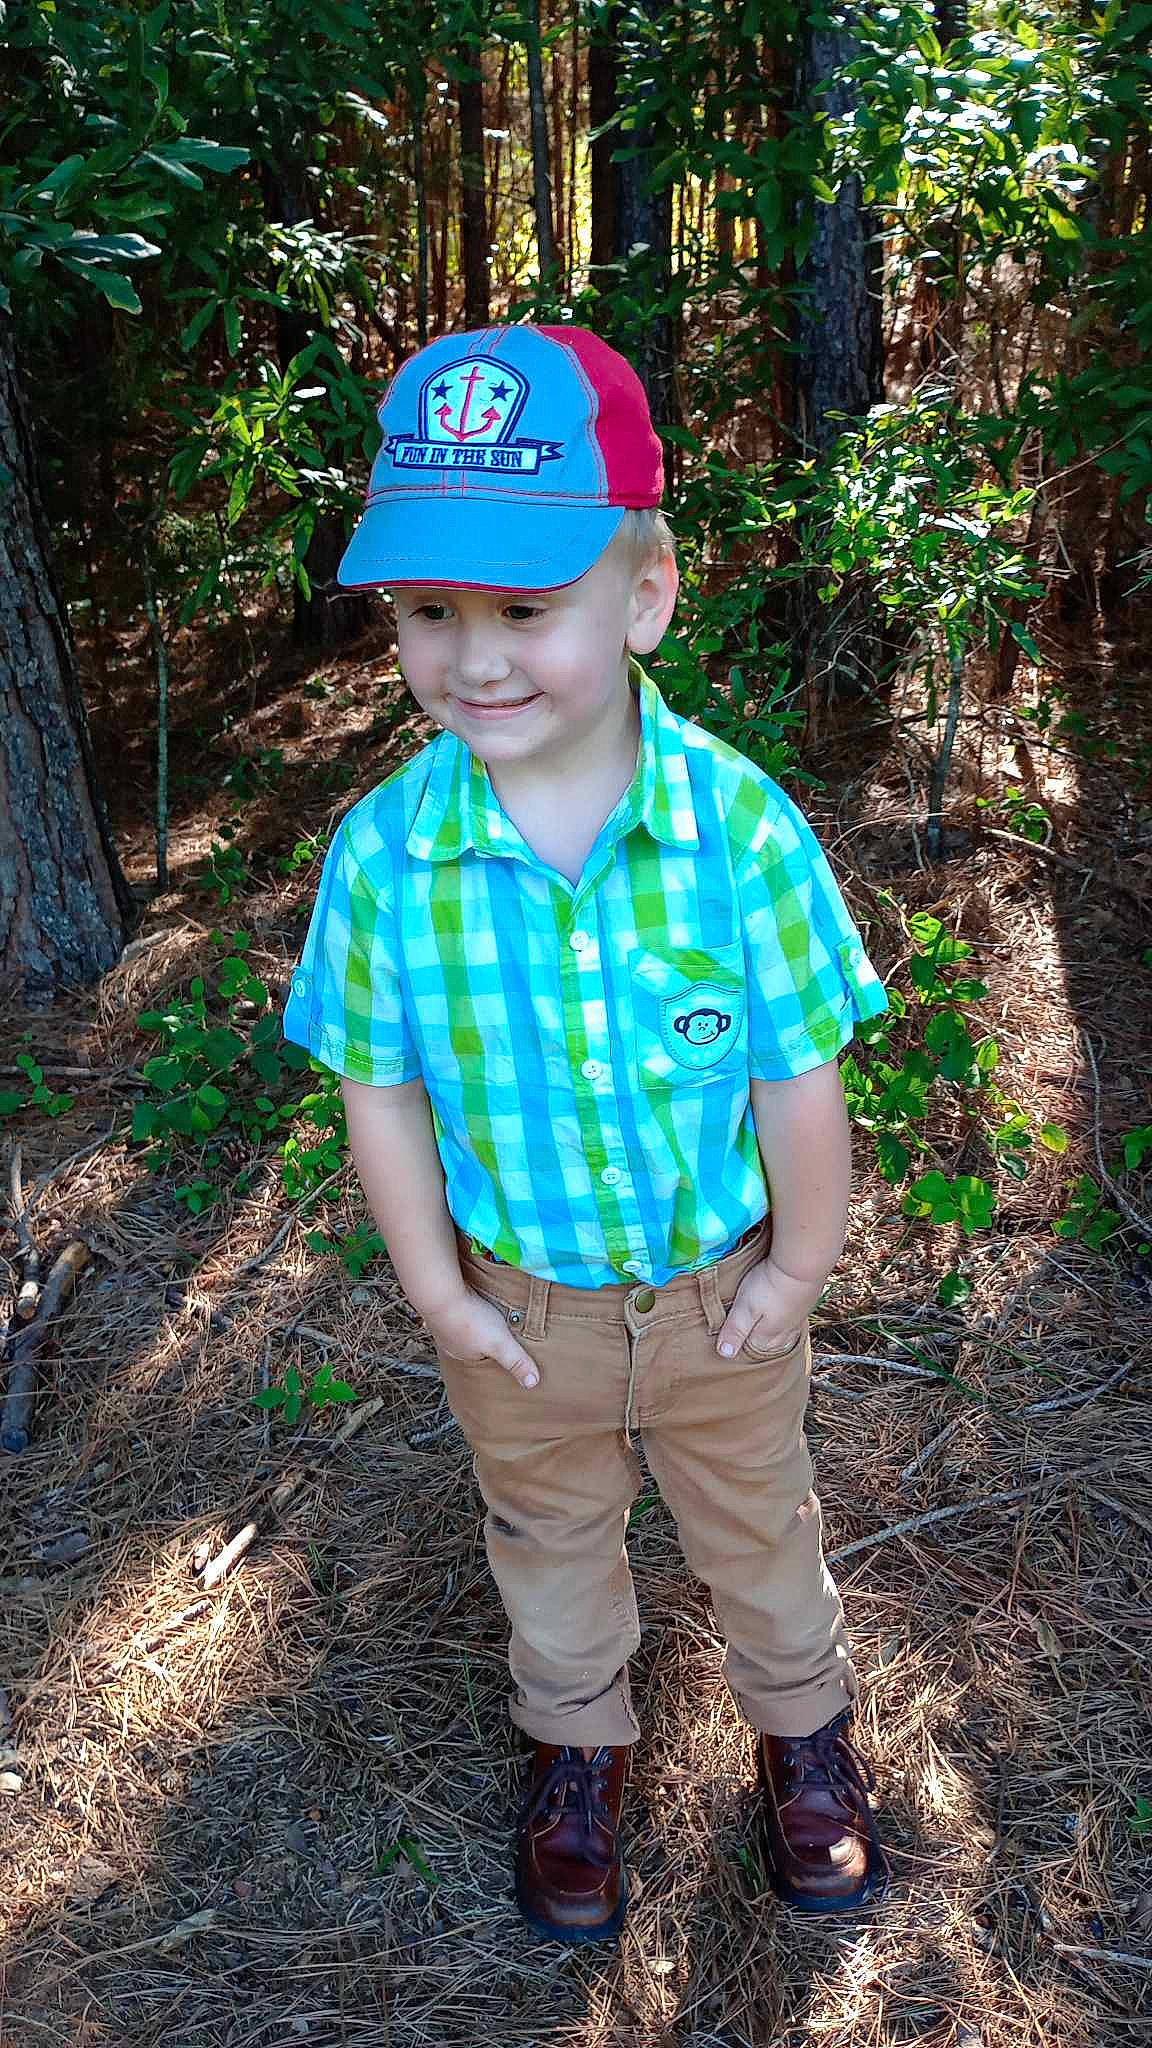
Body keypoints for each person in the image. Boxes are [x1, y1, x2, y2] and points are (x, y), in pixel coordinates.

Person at [283, 323, 890, 1944]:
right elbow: (381, 1087)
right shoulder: (386, 857)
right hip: (521, 1310)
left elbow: (795, 1071)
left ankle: (804, 1737)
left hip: (720, 1292)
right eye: (431, 612)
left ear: (647, 593)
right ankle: (578, 1752)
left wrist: (800, 1267)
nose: (475, 659)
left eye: (526, 607)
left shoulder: (736, 830)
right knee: (546, 1538)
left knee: (759, 1522)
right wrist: (438, 1295)